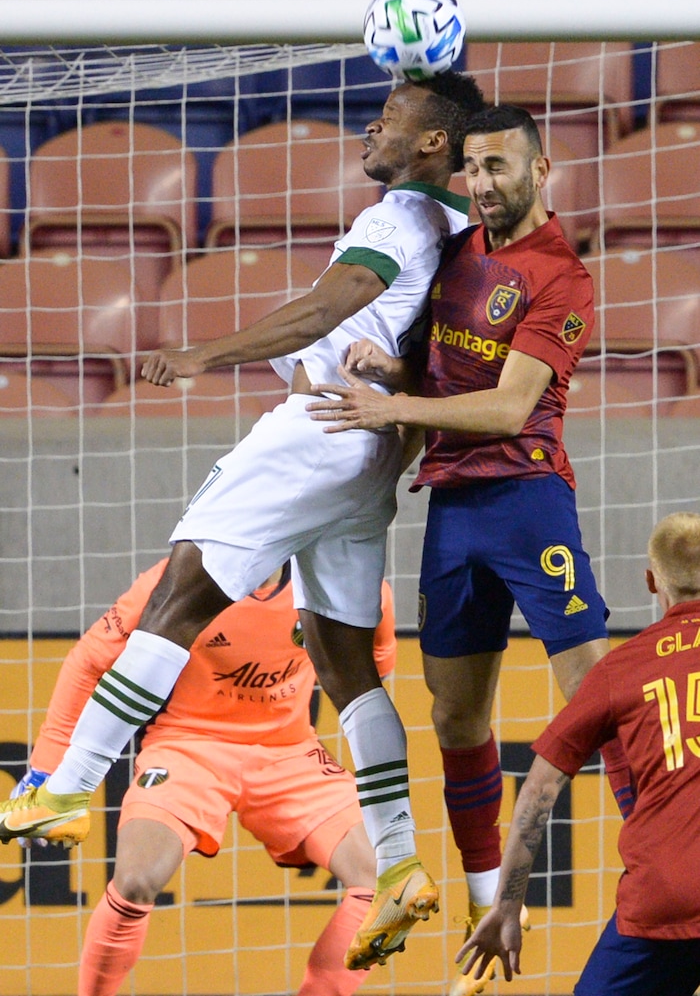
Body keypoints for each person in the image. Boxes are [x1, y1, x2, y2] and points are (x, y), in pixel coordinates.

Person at [0, 72, 487, 972]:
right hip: (376, 446)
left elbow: (324, 308)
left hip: (313, 429)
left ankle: (67, 788)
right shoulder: (466, 234)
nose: (372, 126)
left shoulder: (393, 219)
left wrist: (203, 354)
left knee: (178, 595)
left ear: (432, 144)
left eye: (395, 117)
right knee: (346, 668)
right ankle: (398, 860)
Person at [304, 103, 633, 995]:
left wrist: (394, 408)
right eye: (474, 169)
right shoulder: (456, 249)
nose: (483, 185)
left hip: (529, 504)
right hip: (453, 508)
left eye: (500, 169)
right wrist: (392, 372)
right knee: (455, 720)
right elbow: (448, 374)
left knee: (597, 712)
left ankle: (662, 868)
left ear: (542, 170)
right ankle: (494, 909)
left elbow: (507, 406)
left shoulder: (561, 276)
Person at [12, 559, 396, 996]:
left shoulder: (352, 581)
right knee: (136, 881)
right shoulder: (177, 577)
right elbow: (88, 662)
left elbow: (375, 672)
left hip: (289, 752)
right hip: (187, 746)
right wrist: (44, 770)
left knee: (385, 882)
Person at [460, 510, 700, 996]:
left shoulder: (621, 669)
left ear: (652, 582)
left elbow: (539, 790)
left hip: (665, 897)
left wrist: (506, 906)